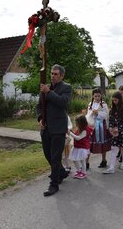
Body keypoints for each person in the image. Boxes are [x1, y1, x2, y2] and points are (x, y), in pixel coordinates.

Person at [37, 64, 72, 197]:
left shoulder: (66, 88)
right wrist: (40, 118)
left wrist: (48, 92)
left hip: (58, 128)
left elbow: (62, 102)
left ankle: (54, 184)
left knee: (55, 157)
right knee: (48, 155)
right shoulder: (45, 87)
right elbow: (39, 106)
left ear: (62, 76)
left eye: (56, 74)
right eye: (51, 73)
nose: (52, 75)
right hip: (45, 128)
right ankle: (61, 172)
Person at [103, 91, 123, 174]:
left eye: (116, 100)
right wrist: (111, 127)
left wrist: (119, 129)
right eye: (113, 100)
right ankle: (111, 167)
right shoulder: (112, 109)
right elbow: (110, 120)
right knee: (113, 147)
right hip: (114, 132)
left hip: (122, 132)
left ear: (120, 100)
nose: (114, 102)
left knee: (122, 147)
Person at [87, 88, 111, 169]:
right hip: (92, 125)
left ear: (101, 96)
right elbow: (88, 114)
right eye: (95, 96)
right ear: (93, 96)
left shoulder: (103, 104)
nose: (97, 98)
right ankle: (86, 162)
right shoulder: (90, 104)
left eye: (99, 96)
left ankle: (104, 160)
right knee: (89, 143)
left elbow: (106, 115)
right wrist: (92, 113)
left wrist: (98, 113)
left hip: (101, 126)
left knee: (102, 142)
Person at [68, 115, 92, 179]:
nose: (76, 124)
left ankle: (84, 173)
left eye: (77, 122)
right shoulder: (79, 129)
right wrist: (71, 132)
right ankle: (79, 171)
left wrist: (70, 133)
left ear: (81, 123)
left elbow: (78, 138)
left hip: (82, 147)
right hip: (77, 146)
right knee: (74, 159)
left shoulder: (85, 130)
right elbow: (76, 135)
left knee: (82, 161)